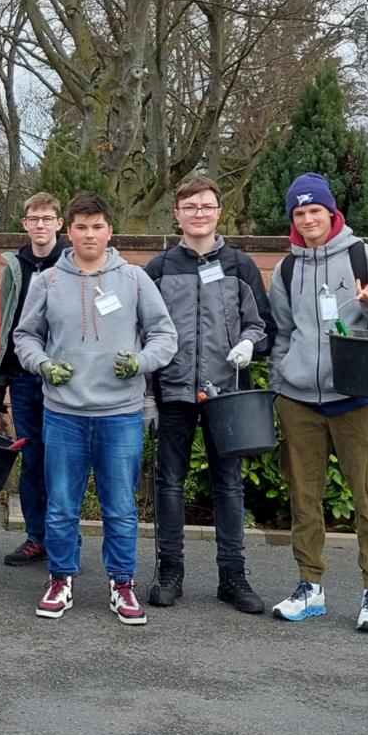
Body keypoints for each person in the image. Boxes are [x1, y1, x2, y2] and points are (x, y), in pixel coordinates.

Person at [14, 193, 176, 624]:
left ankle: (122, 584)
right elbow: (25, 337)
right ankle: (60, 578)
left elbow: (164, 335)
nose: (90, 234)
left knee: (120, 506)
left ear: (110, 230)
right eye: (82, 226)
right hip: (63, 413)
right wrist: (44, 365)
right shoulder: (46, 282)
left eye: (98, 226)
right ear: (69, 231)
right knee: (62, 505)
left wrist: (141, 362)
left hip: (120, 415)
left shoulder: (136, 280)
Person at [269, 172, 368, 634]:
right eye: (300, 212)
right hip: (300, 402)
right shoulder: (286, 269)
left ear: (332, 213)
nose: (309, 219)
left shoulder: (362, 255)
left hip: (358, 397)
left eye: (316, 211)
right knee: (303, 499)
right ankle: (310, 587)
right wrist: (280, 382)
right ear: (292, 219)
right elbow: (283, 334)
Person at [144, 174, 273, 613]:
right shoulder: (159, 269)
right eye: (190, 207)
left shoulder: (241, 265)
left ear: (219, 212)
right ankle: (169, 571)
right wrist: (147, 396)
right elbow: (143, 334)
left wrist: (249, 344)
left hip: (228, 395)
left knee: (229, 486)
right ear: (177, 214)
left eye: (206, 207)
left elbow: (263, 326)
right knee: (169, 484)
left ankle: (233, 576)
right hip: (173, 391)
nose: (199, 214)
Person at [0, 193, 64, 568]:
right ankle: (37, 537)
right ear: (25, 224)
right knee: (33, 459)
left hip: (63, 379)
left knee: (63, 460)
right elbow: (5, 324)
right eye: (34, 218)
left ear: (59, 223)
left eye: (47, 218)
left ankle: (64, 540)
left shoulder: (70, 262)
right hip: (23, 377)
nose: (40, 225)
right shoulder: (15, 267)